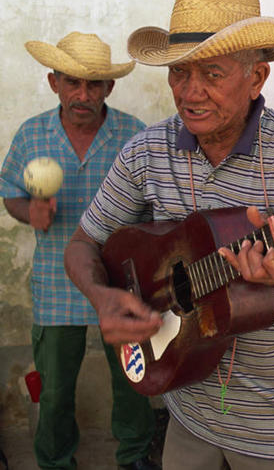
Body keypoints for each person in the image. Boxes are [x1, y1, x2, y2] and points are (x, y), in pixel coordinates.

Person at [63, 0, 274, 469]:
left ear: (257, 77)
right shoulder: (147, 153)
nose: (190, 92)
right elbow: (84, 243)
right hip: (188, 406)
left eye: (212, 73)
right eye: (179, 73)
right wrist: (103, 297)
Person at [0, 32, 156, 469]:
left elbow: (155, 208)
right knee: (53, 388)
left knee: (133, 380)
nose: (82, 95)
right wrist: (27, 211)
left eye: (93, 85)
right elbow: (9, 192)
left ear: (110, 88)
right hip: (55, 283)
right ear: (54, 83)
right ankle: (54, 459)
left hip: (123, 282)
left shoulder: (134, 135)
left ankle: (135, 455)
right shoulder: (33, 134)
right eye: (72, 83)